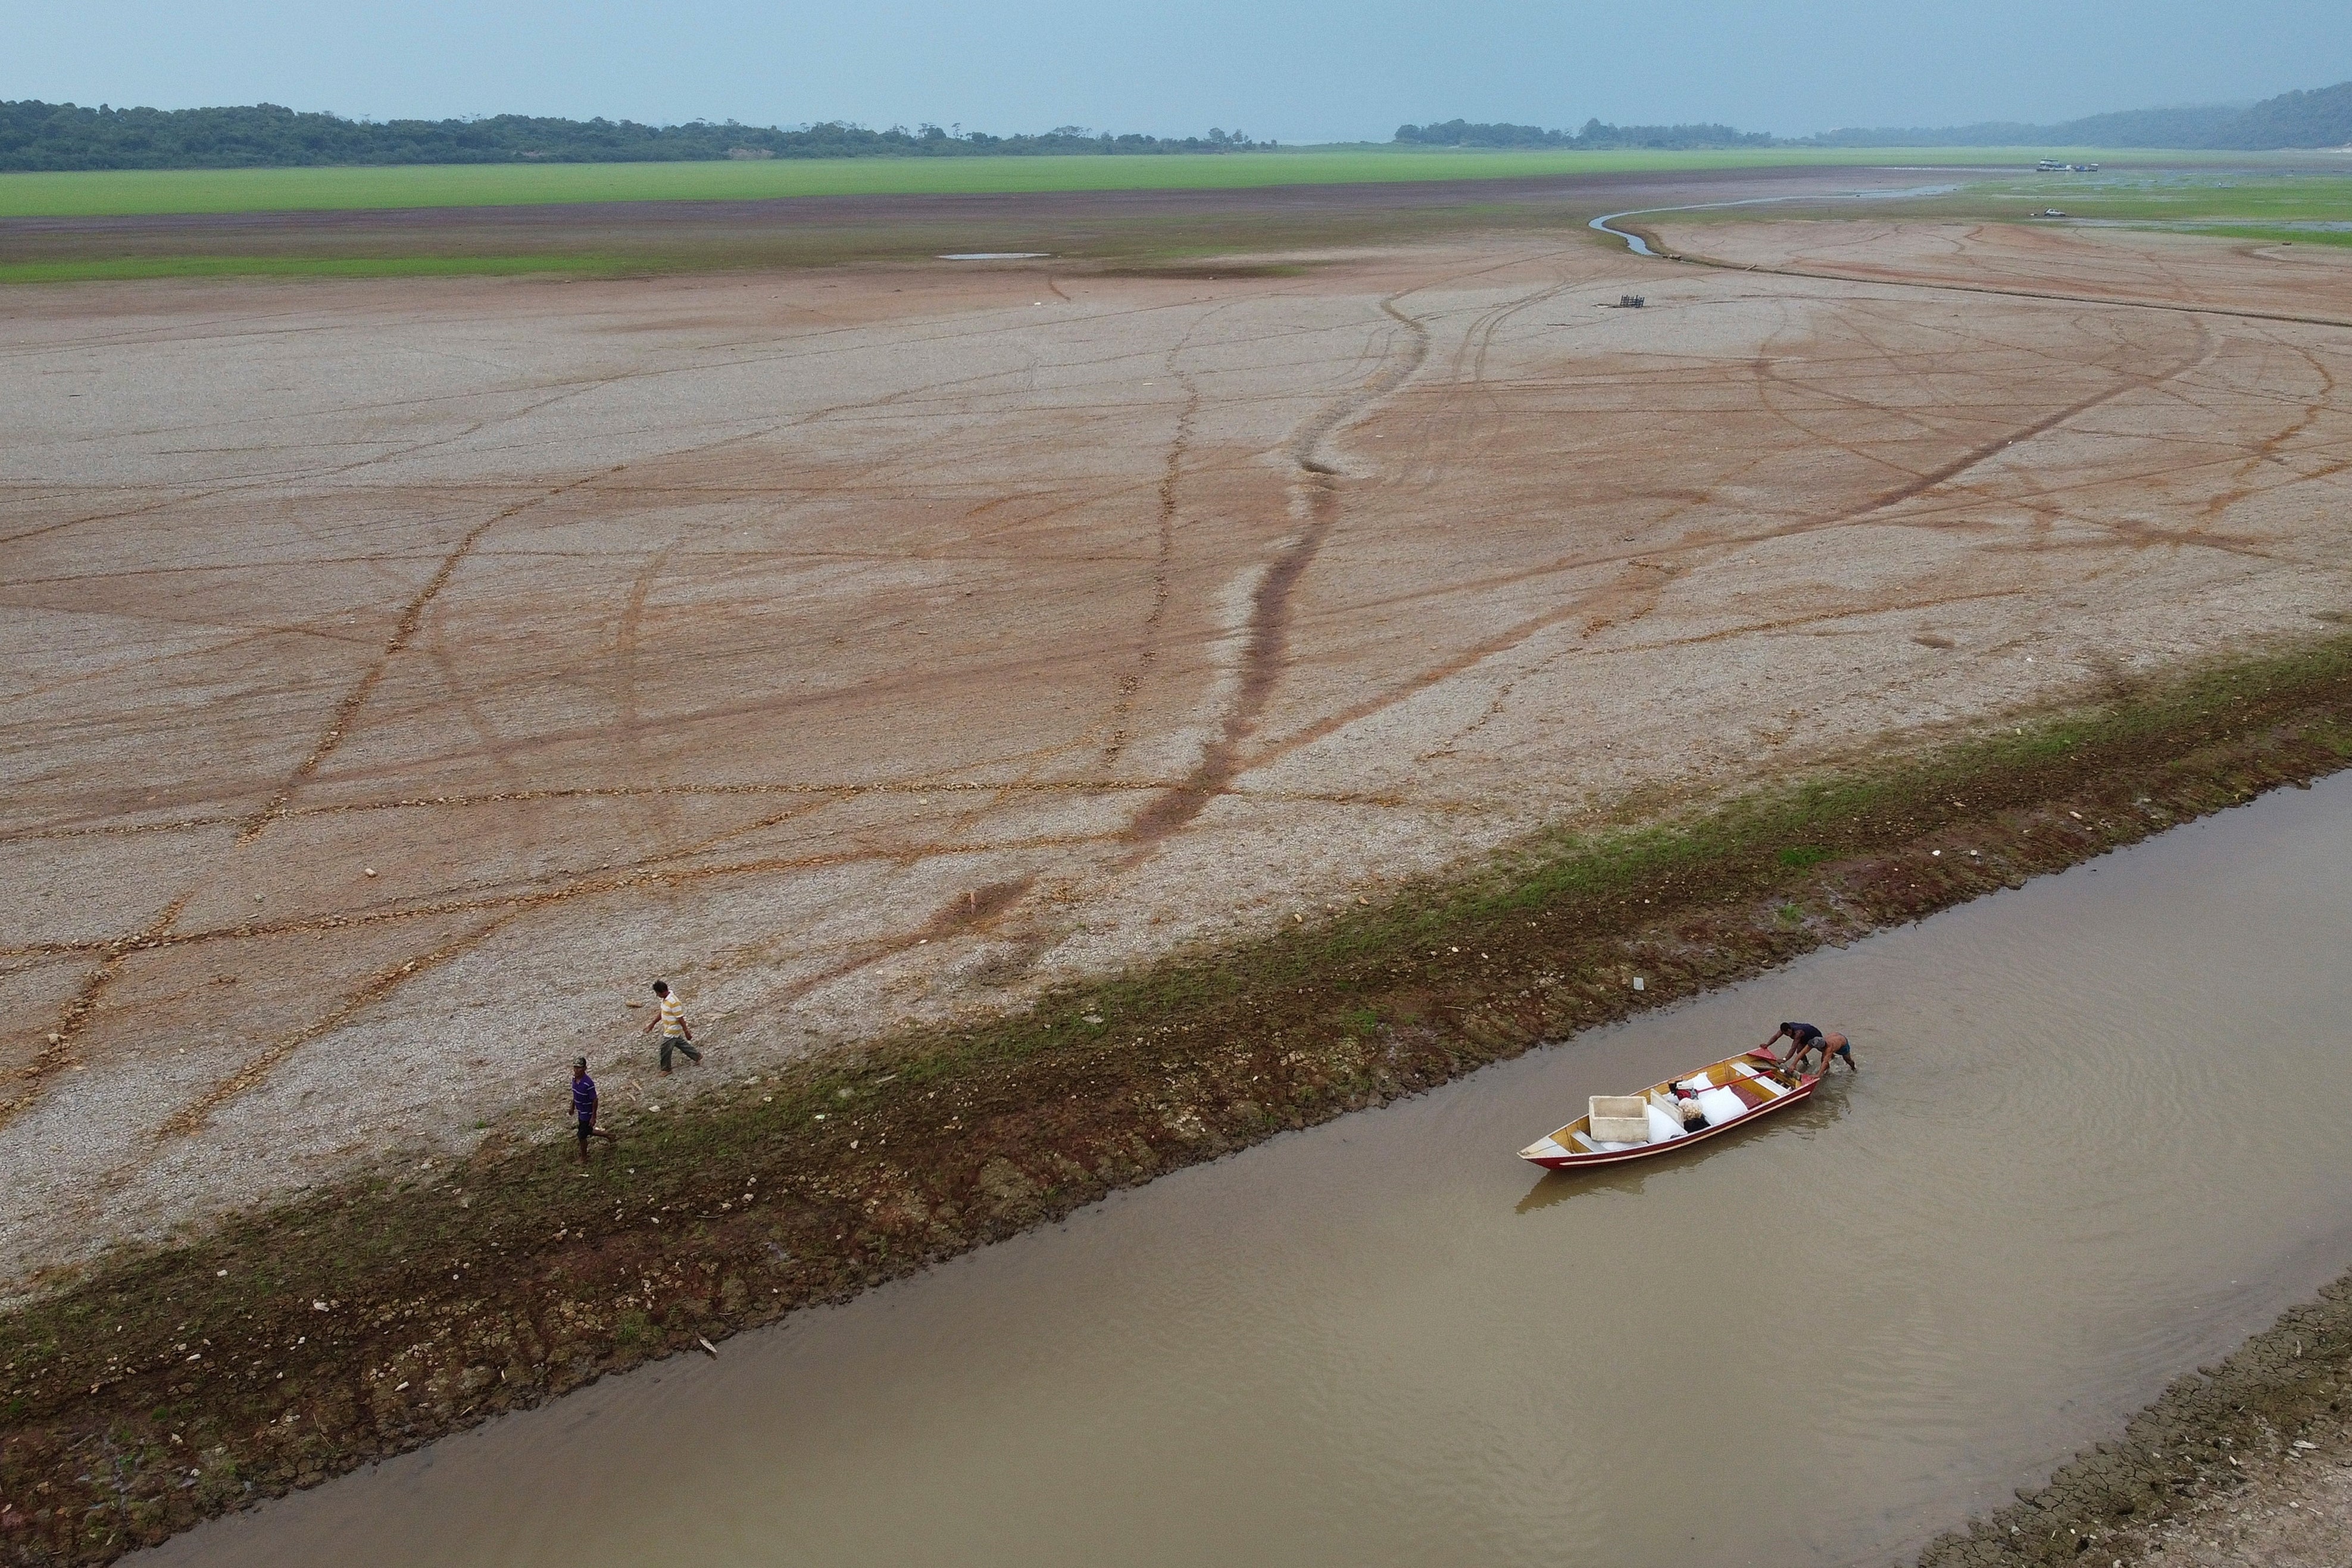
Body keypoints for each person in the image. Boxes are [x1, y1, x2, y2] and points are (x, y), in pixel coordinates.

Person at [643, 979, 702, 1072]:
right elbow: (662, 1012)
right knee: (679, 1043)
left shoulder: (674, 1002)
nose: (657, 995)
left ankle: (666, 1069)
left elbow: (680, 1018)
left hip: (673, 1029)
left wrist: (687, 1031)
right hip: (669, 1027)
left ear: (663, 992)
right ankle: (696, 1056)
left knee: (665, 1047)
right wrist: (652, 1024)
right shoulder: (665, 1000)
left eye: (657, 993)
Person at [1760, 1020, 1857, 1073]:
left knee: (1830, 1057)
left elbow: (1793, 1047)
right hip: (1811, 1039)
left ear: (1790, 1029)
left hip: (1818, 1036)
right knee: (1800, 1052)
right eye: (1786, 1034)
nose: (1788, 1035)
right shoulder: (1784, 1029)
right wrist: (1767, 1045)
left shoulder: (1798, 1033)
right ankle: (1807, 1065)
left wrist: (1785, 1059)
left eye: (1789, 1033)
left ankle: (1854, 1070)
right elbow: (1776, 1037)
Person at [571, 1057, 617, 1161]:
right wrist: (572, 1106)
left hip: (586, 1113)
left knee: (582, 1136)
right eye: (575, 1068)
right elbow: (575, 1094)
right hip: (580, 1111)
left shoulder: (588, 1084)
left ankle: (584, 1158)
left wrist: (593, 1116)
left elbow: (595, 1100)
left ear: (585, 1069)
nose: (576, 1070)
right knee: (587, 1130)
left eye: (579, 1068)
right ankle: (609, 1135)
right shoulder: (575, 1080)